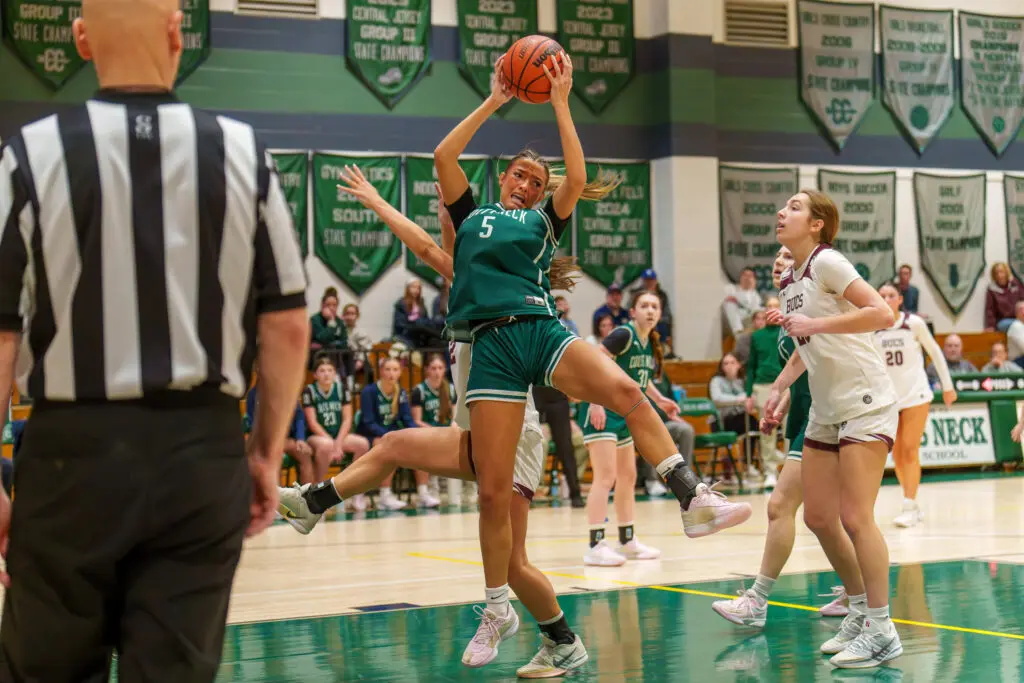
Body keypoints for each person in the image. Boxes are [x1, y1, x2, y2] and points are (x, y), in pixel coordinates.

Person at [0, 0, 310, 678]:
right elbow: (287, 323)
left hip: (68, 459)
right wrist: (263, 453)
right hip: (199, 453)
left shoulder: (28, 153)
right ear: (177, 34)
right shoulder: (242, 150)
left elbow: (0, 336)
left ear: (82, 41)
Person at [433, 54, 751, 662]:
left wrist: (558, 100)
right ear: (503, 177)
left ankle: (692, 499)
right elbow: (444, 157)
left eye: (536, 179)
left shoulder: (542, 225)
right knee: (495, 492)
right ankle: (497, 608)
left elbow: (575, 179)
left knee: (629, 395)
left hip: (539, 327)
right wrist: (496, 101)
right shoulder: (472, 215)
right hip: (490, 345)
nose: (527, 183)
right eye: (520, 175)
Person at [278, 170, 589, 678]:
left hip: (517, 438)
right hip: (479, 435)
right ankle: (314, 502)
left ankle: (559, 639)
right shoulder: (472, 286)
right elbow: (436, 243)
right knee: (395, 444)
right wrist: (385, 202)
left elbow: (430, 247)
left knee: (513, 562)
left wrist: (386, 204)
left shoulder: (496, 293)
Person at [763, 189, 902, 668]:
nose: (783, 212)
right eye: (784, 207)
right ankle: (861, 611)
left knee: (854, 517)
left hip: (865, 400)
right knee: (818, 518)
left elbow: (882, 314)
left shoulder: (829, 263)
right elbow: (808, 344)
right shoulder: (790, 279)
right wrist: (780, 389)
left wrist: (814, 326)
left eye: (795, 208)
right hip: (825, 408)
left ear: (818, 224)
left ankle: (882, 629)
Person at [711, 246, 860, 631]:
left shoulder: (817, 296)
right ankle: (857, 593)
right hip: (807, 415)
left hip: (834, 415)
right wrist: (780, 400)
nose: (779, 260)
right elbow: (804, 367)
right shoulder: (786, 312)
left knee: (785, 507)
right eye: (775, 257)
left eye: (787, 255)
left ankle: (759, 600)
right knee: (830, 517)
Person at [578, 292, 678, 566]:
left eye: (655, 306)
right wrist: (595, 402)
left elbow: (637, 381)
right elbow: (594, 363)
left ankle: (627, 540)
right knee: (605, 476)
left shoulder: (648, 342)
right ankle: (595, 544)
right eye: (644, 305)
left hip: (622, 414)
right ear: (632, 311)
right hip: (601, 410)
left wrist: (660, 400)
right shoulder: (623, 334)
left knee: (627, 476)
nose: (650, 310)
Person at [875, 283, 957, 530]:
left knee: (910, 449)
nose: (886, 299)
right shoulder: (870, 327)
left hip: (916, 394)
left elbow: (936, 353)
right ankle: (911, 501)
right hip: (888, 398)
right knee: (898, 455)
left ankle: (909, 506)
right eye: (881, 296)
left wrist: (948, 385)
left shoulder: (914, 324)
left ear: (900, 299)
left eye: (891, 295)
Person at [356, 356, 439, 509]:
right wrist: (387, 435)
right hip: (370, 435)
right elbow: (368, 422)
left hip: (391, 434)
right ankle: (384, 496)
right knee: (388, 447)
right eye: (387, 369)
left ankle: (422, 493)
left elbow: (407, 418)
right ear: (380, 371)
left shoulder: (400, 392)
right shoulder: (369, 391)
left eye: (395, 370)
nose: (391, 373)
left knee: (419, 445)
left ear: (400, 372)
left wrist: (415, 433)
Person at [301, 356, 371, 499]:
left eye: (330, 370)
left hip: (339, 436)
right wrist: (333, 444)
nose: (326, 374)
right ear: (315, 375)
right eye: (322, 371)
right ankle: (318, 491)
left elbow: (347, 419)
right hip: (317, 437)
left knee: (362, 444)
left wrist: (338, 443)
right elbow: (312, 422)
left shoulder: (341, 389)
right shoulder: (309, 390)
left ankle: (354, 489)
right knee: (326, 445)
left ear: (335, 373)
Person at [411, 354, 462, 506]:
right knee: (426, 449)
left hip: (447, 433)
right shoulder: (419, 391)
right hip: (429, 433)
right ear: (426, 370)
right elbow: (417, 420)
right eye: (433, 368)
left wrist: (452, 427)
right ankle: (431, 489)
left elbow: (455, 417)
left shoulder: (451, 389)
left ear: (445, 369)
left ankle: (463, 490)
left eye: (440, 368)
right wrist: (435, 431)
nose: (437, 372)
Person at [745, 296, 784, 486]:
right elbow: (750, 366)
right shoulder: (757, 336)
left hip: (786, 385)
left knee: (789, 429)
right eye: (768, 306)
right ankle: (769, 471)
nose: (772, 309)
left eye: (775, 306)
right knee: (766, 430)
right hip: (762, 386)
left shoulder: (789, 331)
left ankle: (789, 470)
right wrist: (748, 394)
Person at [247, 375, 313, 484]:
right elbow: (251, 422)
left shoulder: (287, 391)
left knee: (304, 453)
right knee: (274, 456)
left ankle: (307, 496)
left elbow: (299, 417)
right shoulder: (253, 395)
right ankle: (278, 498)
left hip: (287, 439)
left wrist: (300, 438)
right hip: (266, 441)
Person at [984, 262, 1024, 332]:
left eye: (1001, 272)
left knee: (1019, 325)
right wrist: (991, 326)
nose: (999, 275)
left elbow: (1022, 299)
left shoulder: (1015, 283)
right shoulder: (992, 289)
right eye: (996, 273)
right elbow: (990, 310)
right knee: (1016, 325)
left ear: (1006, 272)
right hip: (1003, 320)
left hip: (1019, 318)